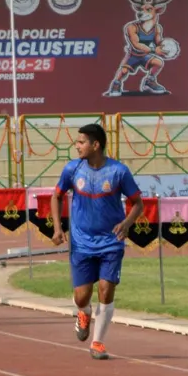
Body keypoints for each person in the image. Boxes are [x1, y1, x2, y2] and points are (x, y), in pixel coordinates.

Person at [51, 123, 144, 360]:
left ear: (96, 145)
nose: (77, 146)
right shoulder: (72, 169)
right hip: (81, 242)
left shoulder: (119, 171)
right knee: (82, 296)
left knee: (105, 289)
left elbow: (138, 203)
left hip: (111, 242)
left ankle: (98, 342)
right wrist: (57, 227)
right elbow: (57, 196)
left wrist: (126, 224)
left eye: (81, 142)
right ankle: (83, 312)